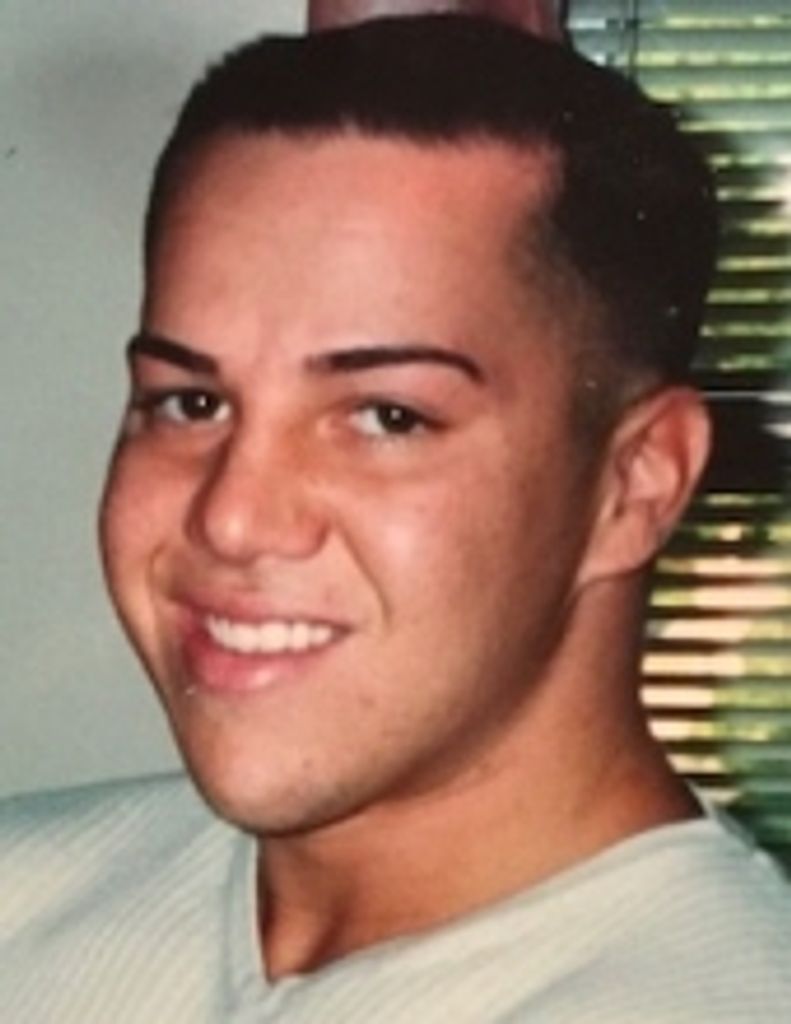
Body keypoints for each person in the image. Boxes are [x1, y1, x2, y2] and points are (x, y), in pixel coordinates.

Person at [1, 11, 789, 1023]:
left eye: (387, 416)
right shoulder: (27, 899)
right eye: (191, 402)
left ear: (635, 483)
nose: (233, 518)